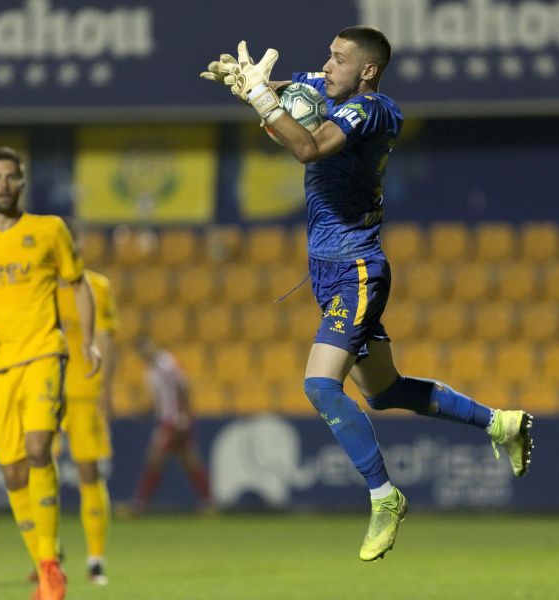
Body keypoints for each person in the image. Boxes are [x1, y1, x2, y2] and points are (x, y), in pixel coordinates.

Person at [201, 26, 534, 561]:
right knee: (384, 392)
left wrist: (262, 99)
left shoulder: (372, 111)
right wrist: (248, 83)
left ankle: (385, 496)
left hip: (356, 270)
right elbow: (296, 89)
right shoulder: (328, 87)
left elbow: (308, 148)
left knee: (320, 386)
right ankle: (500, 423)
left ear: (368, 71)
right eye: (327, 55)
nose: (326, 66)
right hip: (331, 272)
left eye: (338, 59)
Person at [0, 147, 100, 600]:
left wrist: (86, 338)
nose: (3, 184)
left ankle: (49, 570)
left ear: (22, 183)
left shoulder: (49, 230)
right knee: (12, 474)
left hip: (45, 353)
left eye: (11, 176)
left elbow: (77, 281)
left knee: (37, 448)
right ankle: (47, 558)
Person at [52, 219, 118, 585]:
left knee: (88, 473)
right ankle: (48, 553)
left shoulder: (97, 286)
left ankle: (95, 559)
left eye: (73, 240)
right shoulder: (41, 285)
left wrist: (106, 389)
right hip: (46, 391)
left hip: (84, 392)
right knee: (40, 471)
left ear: (80, 243)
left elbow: (107, 339)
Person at [128, 337, 212, 515]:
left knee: (155, 458)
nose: (144, 354)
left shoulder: (168, 363)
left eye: (145, 348)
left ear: (152, 345)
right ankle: (209, 502)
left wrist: (184, 416)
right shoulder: (149, 372)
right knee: (189, 460)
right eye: (140, 352)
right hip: (165, 419)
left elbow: (184, 388)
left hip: (174, 420)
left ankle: (140, 504)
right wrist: (144, 410)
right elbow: (159, 400)